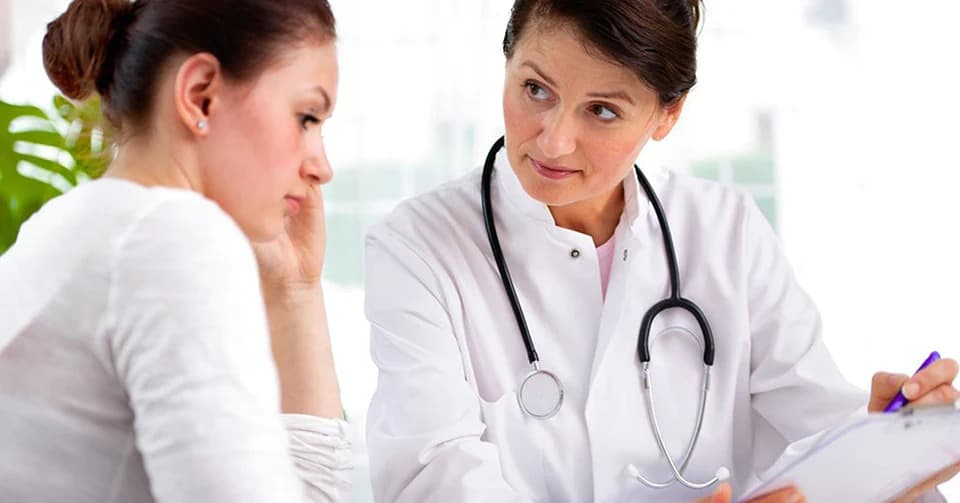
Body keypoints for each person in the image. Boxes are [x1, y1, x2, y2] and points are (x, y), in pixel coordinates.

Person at [363, 1, 960, 501]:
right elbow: (433, 478)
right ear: (507, 64)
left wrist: (881, 445)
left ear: (667, 114)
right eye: (535, 89)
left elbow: (815, 425)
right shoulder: (418, 246)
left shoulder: (726, 231)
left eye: (602, 110)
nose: (554, 139)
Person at [0, 0, 350, 501]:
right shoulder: (171, 236)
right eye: (306, 117)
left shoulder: (63, 226)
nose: (322, 166)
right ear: (200, 96)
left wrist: (296, 290)